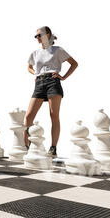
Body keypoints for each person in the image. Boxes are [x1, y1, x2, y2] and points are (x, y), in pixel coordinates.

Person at [24, 26, 78, 157]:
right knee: (28, 116)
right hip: (39, 83)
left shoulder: (57, 50)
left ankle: (53, 148)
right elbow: (29, 67)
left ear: (47, 35)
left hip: (53, 82)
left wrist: (63, 77)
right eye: (36, 36)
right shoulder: (35, 53)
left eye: (39, 35)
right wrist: (35, 74)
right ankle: (27, 146)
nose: (37, 38)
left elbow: (74, 63)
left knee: (54, 116)